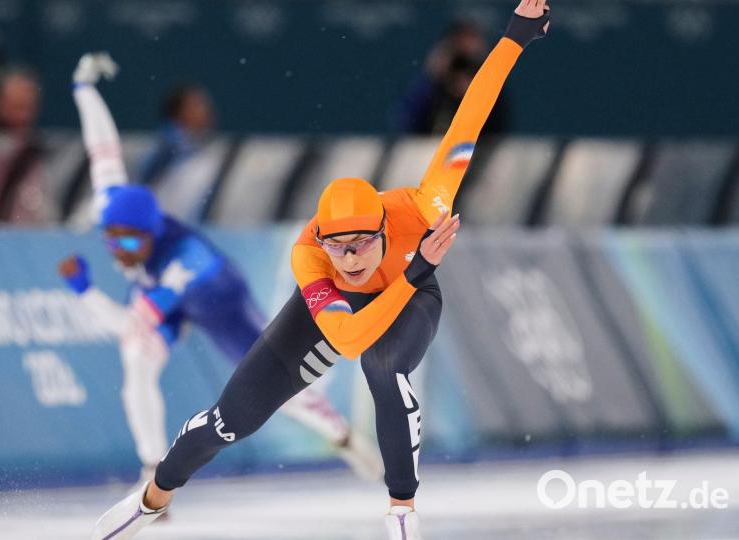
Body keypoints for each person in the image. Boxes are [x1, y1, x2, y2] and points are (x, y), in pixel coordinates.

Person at [90, 1, 551, 539]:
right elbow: (347, 338)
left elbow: (469, 117)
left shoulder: (426, 208)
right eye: (339, 246)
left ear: (384, 230)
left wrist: (514, 38)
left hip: (411, 295)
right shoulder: (310, 256)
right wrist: (415, 265)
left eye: (361, 243)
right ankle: (150, 500)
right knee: (228, 420)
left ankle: (401, 509)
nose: (350, 258)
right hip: (391, 285)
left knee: (386, 368)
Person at [59, 53, 381, 489]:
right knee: (136, 361)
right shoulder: (111, 206)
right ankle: (153, 470)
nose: (119, 251)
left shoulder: (184, 263)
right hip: (166, 292)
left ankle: (342, 436)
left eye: (131, 242)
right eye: (111, 240)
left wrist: (85, 292)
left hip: (216, 295)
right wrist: (84, 89)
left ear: (152, 236)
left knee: (278, 387)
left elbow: (125, 323)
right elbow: (103, 149)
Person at [394, 19, 507, 136]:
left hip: (477, 145)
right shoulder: (434, 82)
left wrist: (479, 89)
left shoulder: (489, 83)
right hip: (431, 145)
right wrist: (432, 78)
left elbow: (499, 126)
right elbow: (407, 120)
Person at [137, 84, 214, 186]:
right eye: (196, 105)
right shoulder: (168, 149)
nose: (205, 111)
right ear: (180, 111)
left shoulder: (194, 144)